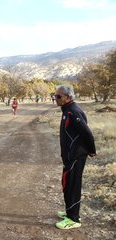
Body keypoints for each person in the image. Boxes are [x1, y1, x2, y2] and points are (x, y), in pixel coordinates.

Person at [54, 84, 96, 230]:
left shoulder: (73, 112)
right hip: (70, 156)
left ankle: (74, 219)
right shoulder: (67, 110)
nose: (55, 98)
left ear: (68, 97)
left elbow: (87, 133)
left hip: (76, 156)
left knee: (72, 185)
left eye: (58, 96)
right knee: (67, 184)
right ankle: (69, 211)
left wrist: (92, 150)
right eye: (55, 95)